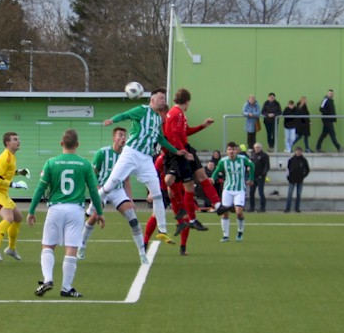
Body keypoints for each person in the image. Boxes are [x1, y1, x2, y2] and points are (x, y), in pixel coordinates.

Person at [96, 87, 191, 247]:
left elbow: (161, 139)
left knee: (157, 194)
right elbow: (126, 115)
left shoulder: (157, 119)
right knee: (111, 184)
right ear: (153, 99)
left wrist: (177, 151)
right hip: (131, 153)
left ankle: (162, 230)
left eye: (164, 98)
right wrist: (112, 120)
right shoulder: (142, 110)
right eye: (161, 98)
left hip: (146, 159)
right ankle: (92, 207)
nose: (163, 100)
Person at [27, 129, 105, 298]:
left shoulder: (51, 163)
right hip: (75, 210)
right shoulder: (85, 164)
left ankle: (48, 278)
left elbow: (40, 188)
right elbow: (93, 190)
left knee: (48, 246)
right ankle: (66, 287)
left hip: (55, 209)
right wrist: (99, 212)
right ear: (77, 145)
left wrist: (32, 210)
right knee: (71, 248)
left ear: (61, 144)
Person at [162, 88, 230, 234]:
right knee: (187, 186)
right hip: (179, 152)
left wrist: (202, 126)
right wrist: (184, 152)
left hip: (183, 149)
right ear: (187, 101)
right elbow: (173, 135)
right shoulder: (176, 113)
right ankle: (189, 217)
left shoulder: (179, 114)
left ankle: (217, 206)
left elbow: (184, 132)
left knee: (201, 177)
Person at [77, 126, 147, 262]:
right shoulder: (102, 153)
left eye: (124, 136)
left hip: (118, 191)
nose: (123, 138)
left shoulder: (126, 156)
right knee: (94, 217)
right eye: (120, 135)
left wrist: (130, 199)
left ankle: (142, 253)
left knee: (132, 218)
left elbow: (126, 179)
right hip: (102, 188)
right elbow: (92, 174)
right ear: (114, 137)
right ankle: (82, 245)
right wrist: (97, 192)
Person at [0, 132, 30, 262]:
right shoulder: (5, 157)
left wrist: (20, 172)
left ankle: (11, 248)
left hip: (2, 193)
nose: (18, 141)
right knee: (9, 218)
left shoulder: (12, 157)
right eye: (15, 139)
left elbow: (7, 172)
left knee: (18, 218)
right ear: (7, 143)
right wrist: (14, 184)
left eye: (18, 139)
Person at [212, 141, 254, 242]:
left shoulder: (243, 159)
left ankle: (240, 232)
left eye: (233, 149)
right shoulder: (223, 161)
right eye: (229, 149)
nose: (231, 151)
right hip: (227, 190)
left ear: (237, 150)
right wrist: (213, 178)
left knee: (239, 212)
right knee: (225, 213)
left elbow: (252, 165)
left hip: (239, 189)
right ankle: (226, 235)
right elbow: (217, 171)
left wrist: (251, 178)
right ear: (227, 151)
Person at [284, 147, 310, 213]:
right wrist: (288, 177)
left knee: (298, 194)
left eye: (299, 151)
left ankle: (297, 208)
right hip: (292, 179)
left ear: (301, 152)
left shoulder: (304, 160)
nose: (298, 152)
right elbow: (287, 169)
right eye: (297, 151)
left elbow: (307, 170)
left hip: (300, 180)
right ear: (295, 152)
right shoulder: (291, 160)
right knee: (290, 194)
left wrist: (303, 176)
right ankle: (288, 208)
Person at [248, 142, 270, 212]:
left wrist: (262, 175)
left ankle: (262, 208)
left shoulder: (264, 155)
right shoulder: (252, 155)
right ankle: (252, 207)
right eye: (255, 147)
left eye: (258, 147)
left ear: (261, 148)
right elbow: (250, 163)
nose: (256, 149)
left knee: (261, 192)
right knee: (251, 192)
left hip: (260, 177)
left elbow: (267, 166)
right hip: (252, 177)